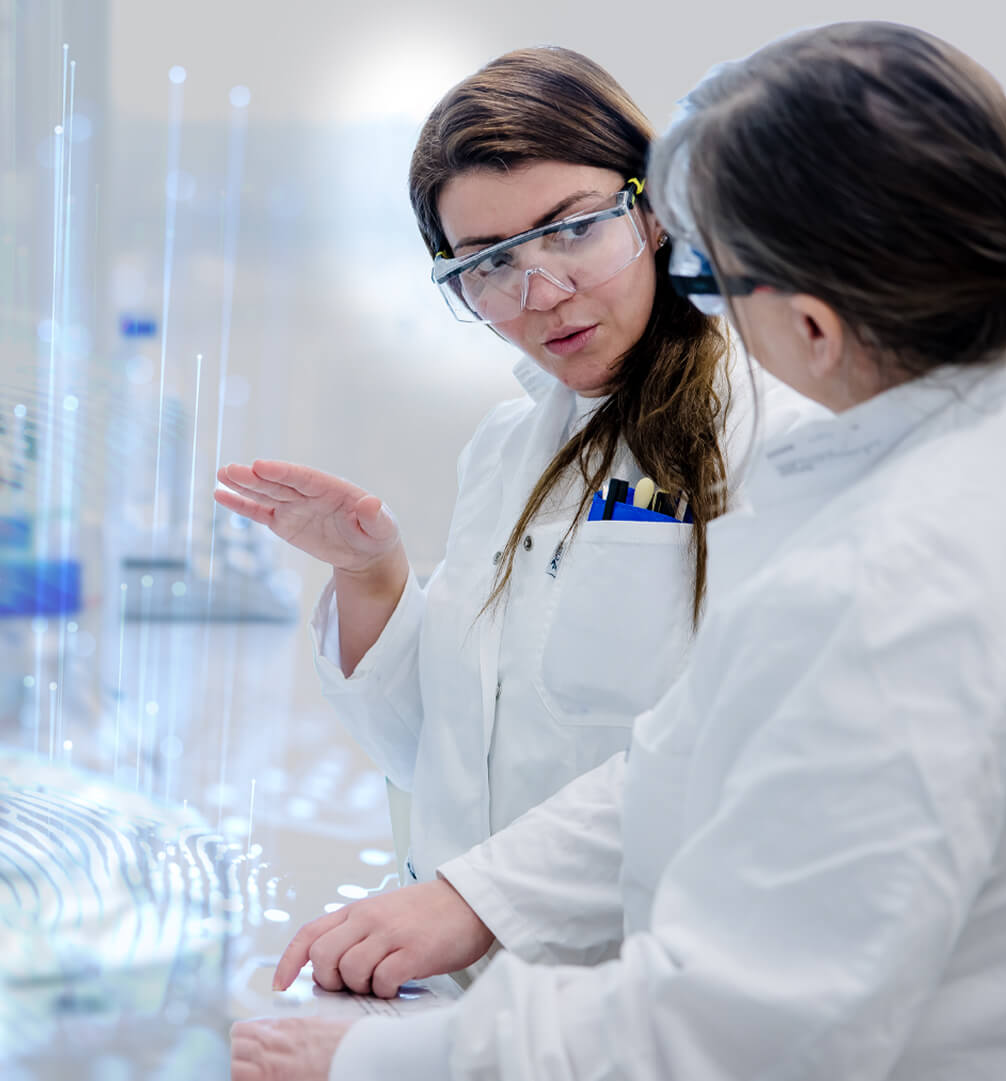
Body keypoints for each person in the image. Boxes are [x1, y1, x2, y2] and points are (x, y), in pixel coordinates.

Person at [233, 20, 1006, 1081]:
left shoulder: (909, 565)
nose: (542, 290)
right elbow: (686, 750)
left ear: (811, 326)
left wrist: (380, 1063)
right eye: (491, 266)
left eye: (708, 272)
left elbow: (733, 1026)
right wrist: (479, 896)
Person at [214, 47, 816, 945]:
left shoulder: (775, 431)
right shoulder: (508, 447)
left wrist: (479, 902)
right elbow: (442, 758)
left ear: (652, 213)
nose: (541, 292)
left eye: (573, 229)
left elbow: (754, 758)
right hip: (479, 985)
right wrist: (372, 575)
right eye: (488, 262)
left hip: (645, 992)